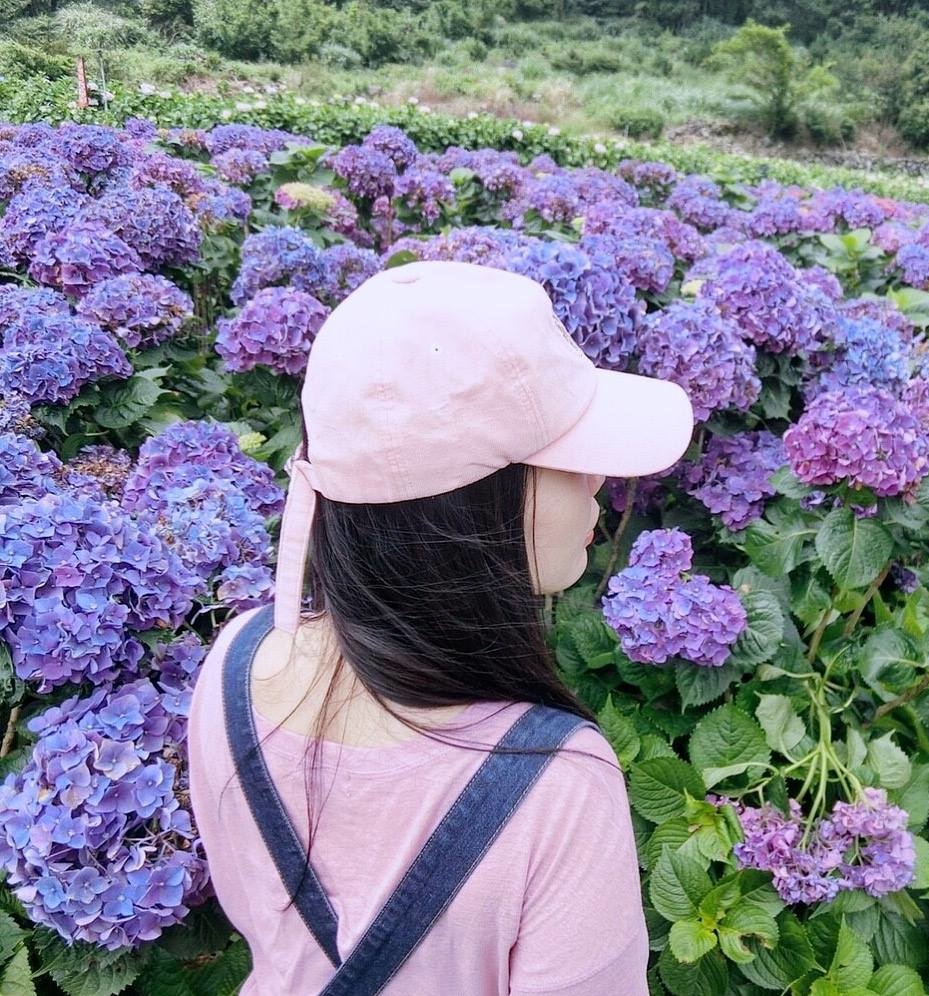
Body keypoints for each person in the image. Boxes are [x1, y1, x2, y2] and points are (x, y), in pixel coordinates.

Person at [187, 259, 694, 995]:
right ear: (474, 500)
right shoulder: (559, 786)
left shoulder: (236, 658)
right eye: (569, 457)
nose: (600, 482)